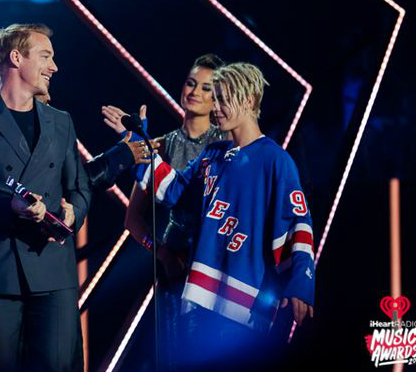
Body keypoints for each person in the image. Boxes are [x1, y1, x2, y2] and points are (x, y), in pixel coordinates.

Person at [134, 62, 315, 371]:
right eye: (214, 98)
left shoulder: (276, 160)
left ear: (249, 99)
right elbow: (172, 192)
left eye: (222, 98)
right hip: (199, 301)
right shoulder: (212, 155)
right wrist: (142, 145)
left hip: (244, 310)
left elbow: (298, 224)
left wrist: (301, 281)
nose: (214, 107)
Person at [0, 23, 94, 372]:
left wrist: (73, 214)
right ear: (15, 58)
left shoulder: (61, 121)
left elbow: (80, 188)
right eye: (45, 56)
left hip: (54, 271)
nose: (54, 67)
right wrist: (8, 209)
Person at [101, 54, 225, 370]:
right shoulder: (159, 147)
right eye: (191, 83)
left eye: (206, 88)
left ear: (217, 99)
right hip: (175, 268)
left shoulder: (227, 145)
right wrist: (163, 254)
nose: (194, 91)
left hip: (219, 266)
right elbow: (133, 220)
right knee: (178, 356)